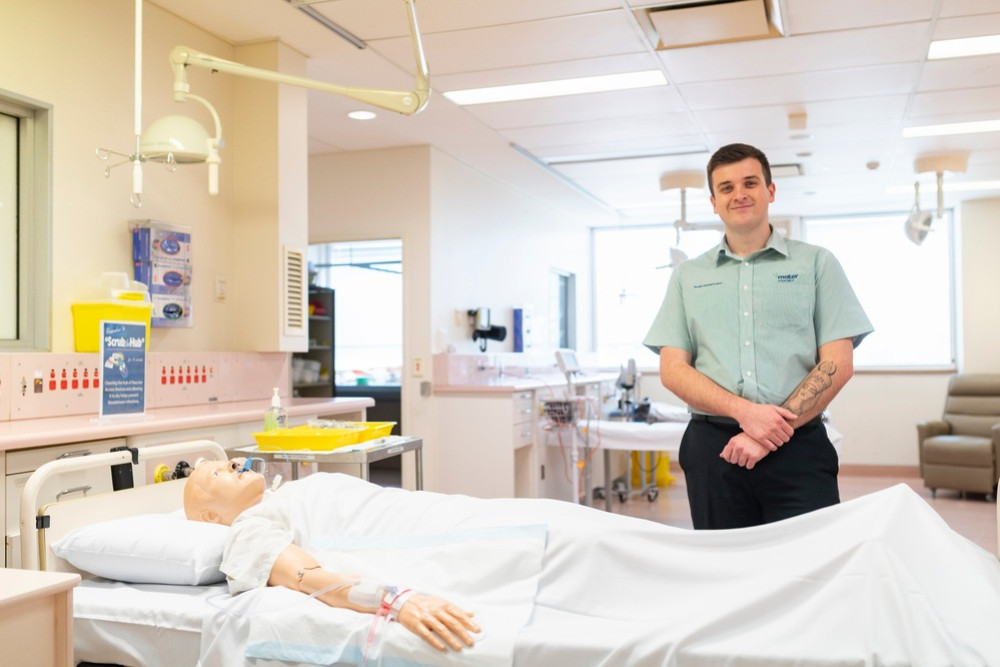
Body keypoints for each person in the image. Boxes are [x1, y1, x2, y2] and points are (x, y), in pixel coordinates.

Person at [644, 142, 873, 530]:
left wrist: (767, 435)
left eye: (750, 182)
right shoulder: (688, 276)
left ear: (770, 191)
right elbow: (673, 370)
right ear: (714, 202)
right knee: (726, 573)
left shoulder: (816, 263)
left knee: (811, 567)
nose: (740, 194)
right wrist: (745, 413)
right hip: (713, 449)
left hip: (799, 448)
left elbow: (837, 362)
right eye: (727, 188)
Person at [183, 458, 480, 654]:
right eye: (218, 472)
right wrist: (393, 600)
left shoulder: (283, 496)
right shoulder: (249, 530)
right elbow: (310, 580)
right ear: (210, 516)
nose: (234, 464)